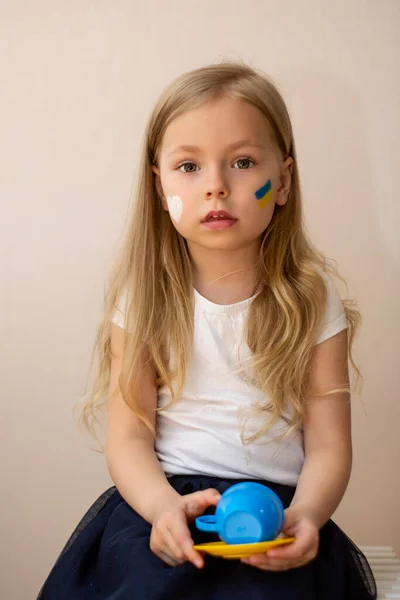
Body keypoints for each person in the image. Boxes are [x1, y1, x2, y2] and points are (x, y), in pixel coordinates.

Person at [37, 61, 377, 599]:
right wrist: (161, 507)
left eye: (242, 162)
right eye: (189, 167)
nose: (216, 187)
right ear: (158, 186)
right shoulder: (144, 297)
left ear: (283, 180)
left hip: (275, 509)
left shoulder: (312, 299)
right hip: (166, 503)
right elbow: (128, 437)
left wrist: (307, 516)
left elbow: (330, 445)